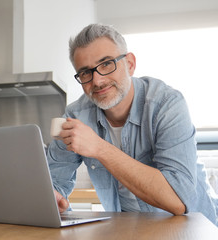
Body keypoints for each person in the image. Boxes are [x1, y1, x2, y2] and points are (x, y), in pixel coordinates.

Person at [46, 23, 218, 226]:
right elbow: (53, 183)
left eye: (106, 64)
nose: (98, 81)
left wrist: (100, 148)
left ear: (130, 64)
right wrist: (54, 198)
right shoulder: (76, 115)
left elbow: (179, 201)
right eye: (85, 73)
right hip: (130, 228)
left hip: (192, 227)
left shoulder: (167, 104)